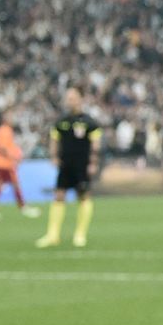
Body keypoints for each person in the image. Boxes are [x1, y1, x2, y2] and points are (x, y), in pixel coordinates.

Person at [36, 88, 101, 248]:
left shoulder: (89, 122)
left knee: (83, 196)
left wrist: (93, 162)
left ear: (80, 99)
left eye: (72, 98)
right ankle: (53, 235)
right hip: (66, 164)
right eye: (68, 98)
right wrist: (54, 156)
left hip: (82, 165)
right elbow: (54, 139)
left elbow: (95, 144)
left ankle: (80, 235)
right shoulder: (61, 121)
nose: (69, 101)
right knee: (59, 195)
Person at [0, 115, 40, 221]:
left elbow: (8, 146)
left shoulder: (6, 130)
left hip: (2, 163)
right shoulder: (4, 131)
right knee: (12, 185)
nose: (12, 119)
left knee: (3, 184)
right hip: (5, 163)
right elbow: (2, 148)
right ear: (4, 119)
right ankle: (21, 207)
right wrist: (14, 157)